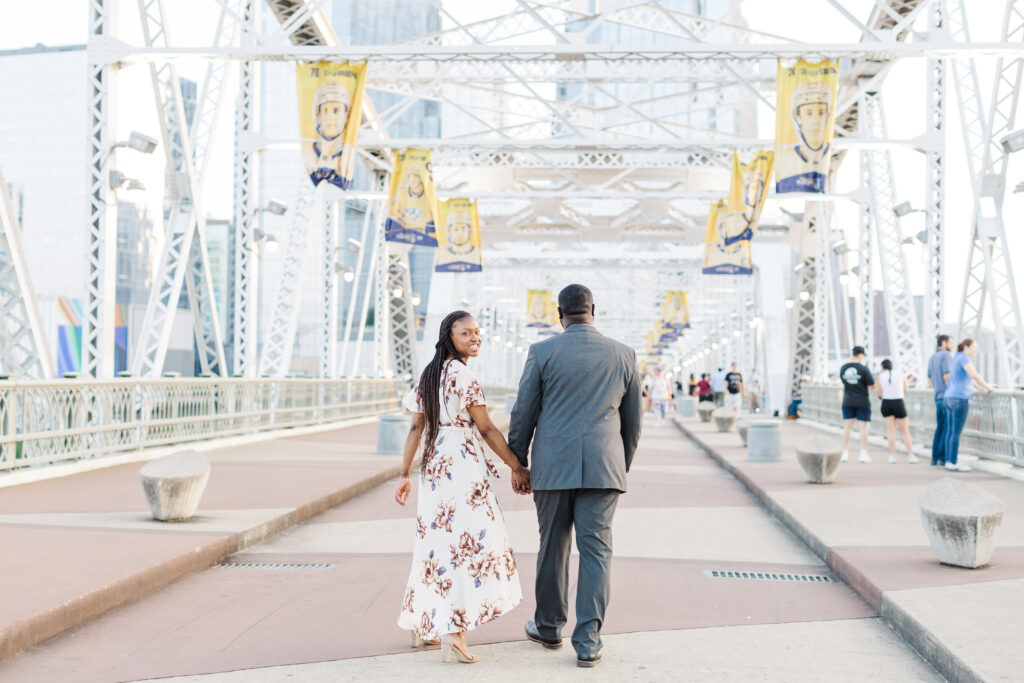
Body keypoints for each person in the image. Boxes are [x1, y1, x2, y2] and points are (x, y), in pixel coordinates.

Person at [508, 284, 643, 668]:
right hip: (604, 468)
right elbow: (632, 424)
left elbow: (524, 413)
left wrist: (518, 461)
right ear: (593, 309)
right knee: (597, 552)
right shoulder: (624, 354)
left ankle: (549, 627)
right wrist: (619, 465)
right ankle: (588, 641)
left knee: (553, 546)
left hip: (552, 468)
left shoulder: (542, 352)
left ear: (558, 313)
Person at [395, 311, 530, 664]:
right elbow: (485, 428)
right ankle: (454, 630)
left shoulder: (429, 374)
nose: (475, 338)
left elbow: (416, 428)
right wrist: (518, 465)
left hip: (436, 464)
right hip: (463, 465)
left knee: (435, 542)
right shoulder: (464, 374)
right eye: (465, 333)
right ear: (448, 336)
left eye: (477, 332)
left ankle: (424, 622)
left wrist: (405, 473)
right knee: (468, 545)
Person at [943, 338, 995, 472]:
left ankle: (948, 460)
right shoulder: (965, 359)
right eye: (974, 348)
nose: (976, 351)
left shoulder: (956, 358)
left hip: (949, 397)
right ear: (966, 347)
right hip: (959, 398)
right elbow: (974, 375)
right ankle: (953, 462)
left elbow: (964, 378)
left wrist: (978, 388)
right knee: (956, 432)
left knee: (950, 431)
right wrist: (988, 387)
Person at [775, 81, 832, 194]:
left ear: (827, 116)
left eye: (821, 112)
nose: (815, 120)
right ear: (798, 117)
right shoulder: (783, 157)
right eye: (809, 113)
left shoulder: (832, 153)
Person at [875, 359, 921, 464]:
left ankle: (892, 456)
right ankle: (911, 455)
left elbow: (879, 393)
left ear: (882, 367)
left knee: (891, 431)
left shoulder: (880, 376)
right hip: (898, 402)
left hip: (886, 403)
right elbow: (906, 389)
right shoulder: (900, 373)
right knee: (904, 431)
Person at [839, 346, 874, 463]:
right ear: (861, 355)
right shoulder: (864, 369)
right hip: (862, 401)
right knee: (863, 428)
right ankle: (863, 454)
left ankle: (844, 453)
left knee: (847, 428)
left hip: (848, 400)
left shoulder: (843, 368)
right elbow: (871, 386)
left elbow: (843, 382)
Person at [927, 335, 953, 467]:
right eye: (950, 343)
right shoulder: (946, 356)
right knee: (948, 428)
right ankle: (943, 458)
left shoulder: (932, 357)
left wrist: (937, 388)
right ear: (944, 343)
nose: (952, 345)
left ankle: (935, 457)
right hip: (946, 396)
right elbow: (947, 375)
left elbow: (929, 379)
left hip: (937, 396)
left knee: (940, 428)